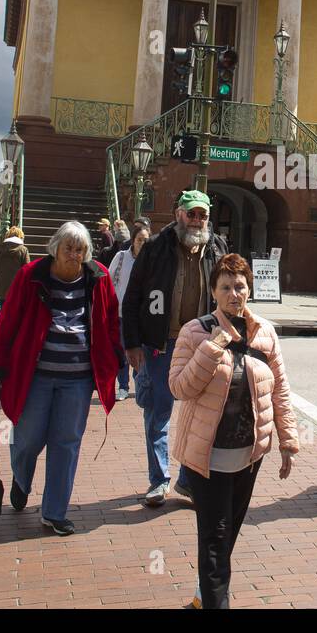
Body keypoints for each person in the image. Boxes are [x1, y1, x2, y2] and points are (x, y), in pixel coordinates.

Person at [169, 252, 299, 608]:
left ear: (249, 289)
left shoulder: (264, 334)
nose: (234, 294)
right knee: (215, 538)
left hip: (247, 456)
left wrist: (288, 440)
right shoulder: (195, 332)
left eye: (240, 286)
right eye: (225, 287)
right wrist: (212, 348)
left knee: (226, 538)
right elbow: (179, 387)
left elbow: (280, 390)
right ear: (214, 291)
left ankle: (202, 596)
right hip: (206, 456)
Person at [0, 221, 125, 536]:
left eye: (80, 250)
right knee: (28, 438)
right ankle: (21, 479)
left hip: (78, 379)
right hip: (35, 375)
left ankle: (54, 512)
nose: (74, 255)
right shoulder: (31, 275)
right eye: (69, 248)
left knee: (66, 443)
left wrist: (115, 358)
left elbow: (110, 321)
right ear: (55, 249)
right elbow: (7, 322)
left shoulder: (98, 277)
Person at [122, 190, 229, 507]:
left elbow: (230, 293)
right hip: (160, 344)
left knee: (201, 416)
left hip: (203, 343)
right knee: (159, 413)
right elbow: (132, 298)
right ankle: (159, 480)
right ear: (178, 214)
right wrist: (132, 343)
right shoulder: (156, 248)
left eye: (202, 215)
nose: (196, 220)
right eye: (191, 214)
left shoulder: (217, 248)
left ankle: (187, 480)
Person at [107, 224, 149, 401]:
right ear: (133, 240)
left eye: (146, 240)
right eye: (140, 240)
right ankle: (123, 387)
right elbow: (108, 279)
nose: (143, 243)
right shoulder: (122, 257)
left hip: (143, 315)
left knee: (141, 352)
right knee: (123, 351)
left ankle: (138, 384)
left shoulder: (151, 260)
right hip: (121, 313)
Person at [0, 226, 30, 310]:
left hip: (2, 286)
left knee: (3, 308)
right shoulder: (23, 250)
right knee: (14, 309)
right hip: (17, 286)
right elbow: (27, 268)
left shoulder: (0, 248)